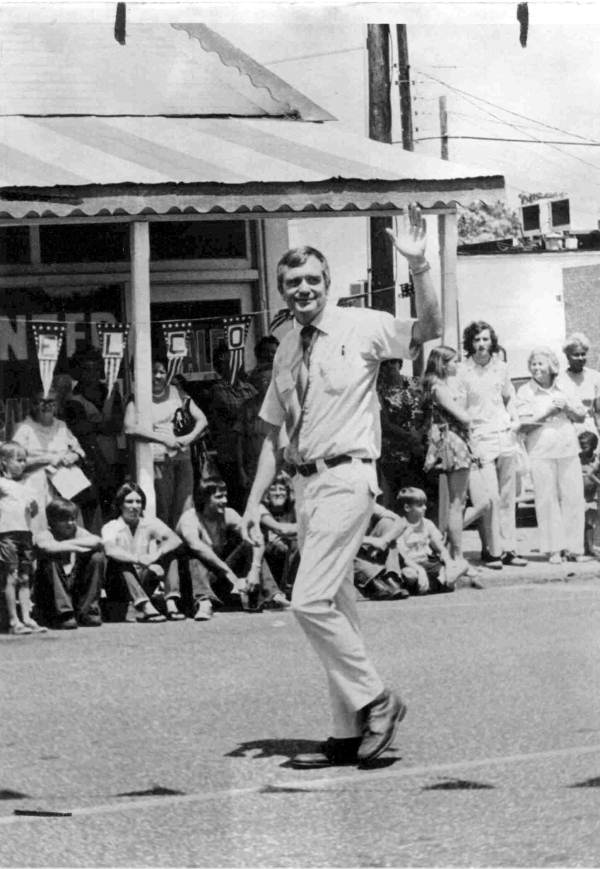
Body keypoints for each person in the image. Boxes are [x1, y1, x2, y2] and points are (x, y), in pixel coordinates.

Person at [241, 203, 442, 769]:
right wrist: (254, 506)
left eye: (311, 280)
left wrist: (419, 266)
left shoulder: (362, 325)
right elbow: (269, 435)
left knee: (307, 601)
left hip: (348, 475)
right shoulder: (284, 347)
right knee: (335, 602)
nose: (302, 289)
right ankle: (346, 727)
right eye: (291, 283)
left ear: (328, 284)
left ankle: (377, 698)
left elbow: (430, 329)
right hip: (305, 486)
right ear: (282, 291)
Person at [456, 322, 527, 570]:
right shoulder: (462, 371)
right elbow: (461, 408)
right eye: (477, 340)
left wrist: (514, 420)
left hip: (504, 435)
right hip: (480, 437)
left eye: (485, 339)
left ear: (492, 342)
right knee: (492, 498)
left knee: (508, 496)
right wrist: (469, 437)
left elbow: (509, 397)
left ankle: (509, 550)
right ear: (470, 343)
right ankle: (492, 550)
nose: (481, 344)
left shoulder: (502, 368)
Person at [177, 476, 287, 622]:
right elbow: (197, 547)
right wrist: (230, 575)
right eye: (219, 497)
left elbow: (256, 537)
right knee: (195, 555)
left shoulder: (228, 514)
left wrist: (255, 569)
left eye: (225, 496)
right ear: (204, 499)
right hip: (191, 582)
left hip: (217, 575)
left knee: (249, 543)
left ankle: (272, 594)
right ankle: (203, 602)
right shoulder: (189, 519)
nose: (225, 501)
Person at [516, 347, 589, 564]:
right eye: (533, 364)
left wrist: (566, 407)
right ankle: (554, 549)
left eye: (541, 363)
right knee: (546, 500)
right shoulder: (525, 392)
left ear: (552, 366)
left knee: (573, 497)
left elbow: (581, 416)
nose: (536, 368)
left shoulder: (564, 386)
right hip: (540, 452)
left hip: (567, 448)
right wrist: (548, 412)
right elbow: (523, 427)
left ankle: (574, 549)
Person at [421, 345, 489, 572]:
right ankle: (456, 554)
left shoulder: (436, 386)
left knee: (463, 503)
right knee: (458, 504)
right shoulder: (439, 388)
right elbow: (464, 417)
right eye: (453, 361)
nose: (456, 366)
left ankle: (447, 543)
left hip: (451, 442)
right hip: (455, 443)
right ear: (442, 363)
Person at [124, 357, 208, 529]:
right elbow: (129, 428)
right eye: (153, 372)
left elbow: (202, 420)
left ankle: (184, 547)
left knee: (185, 508)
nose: (158, 376)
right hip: (158, 460)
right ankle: (166, 551)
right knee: (162, 508)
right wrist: (161, 439)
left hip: (182, 458)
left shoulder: (178, 392)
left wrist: (188, 438)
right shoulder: (138, 397)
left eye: (162, 372)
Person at [13, 386, 99, 534]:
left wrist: (74, 456)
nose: (47, 406)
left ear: (57, 405)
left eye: (51, 402)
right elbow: (14, 462)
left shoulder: (61, 426)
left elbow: (79, 450)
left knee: (68, 523)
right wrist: (47, 459)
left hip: (64, 483)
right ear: (34, 404)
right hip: (36, 483)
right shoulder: (24, 428)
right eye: (42, 401)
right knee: (41, 526)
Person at [101, 482, 185, 622]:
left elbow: (175, 540)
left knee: (170, 554)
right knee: (121, 561)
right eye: (129, 501)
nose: (135, 506)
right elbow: (110, 550)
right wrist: (139, 560)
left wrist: (155, 555)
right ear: (120, 504)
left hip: (142, 579)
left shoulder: (148, 523)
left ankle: (171, 603)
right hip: (120, 583)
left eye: (138, 502)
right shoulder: (112, 526)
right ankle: (145, 606)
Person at [64, 345, 126, 520]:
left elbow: (116, 426)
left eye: (95, 368)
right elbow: (83, 433)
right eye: (86, 369)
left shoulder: (112, 392)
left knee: (115, 510)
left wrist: (93, 424)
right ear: (78, 371)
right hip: (89, 465)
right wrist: (101, 426)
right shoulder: (72, 400)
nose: (91, 374)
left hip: (114, 462)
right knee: (91, 512)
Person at [33, 497, 105, 629]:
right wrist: (75, 547)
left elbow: (97, 541)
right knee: (51, 558)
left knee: (97, 557)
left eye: (72, 519)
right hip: (50, 596)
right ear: (52, 521)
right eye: (64, 519)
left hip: (73, 589)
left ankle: (88, 611)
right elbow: (46, 546)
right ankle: (64, 614)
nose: (70, 523)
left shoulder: (78, 532)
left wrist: (65, 544)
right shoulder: (46, 534)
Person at [204, 344, 258, 513]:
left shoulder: (249, 388)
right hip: (230, 453)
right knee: (234, 498)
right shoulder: (217, 390)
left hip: (249, 451)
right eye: (226, 361)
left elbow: (259, 409)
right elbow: (235, 409)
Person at [0, 442, 46, 635]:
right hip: (6, 533)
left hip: (25, 533)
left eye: (24, 460)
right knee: (10, 576)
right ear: (4, 462)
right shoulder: (2, 484)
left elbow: (33, 512)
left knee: (25, 576)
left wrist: (33, 507)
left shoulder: (26, 485)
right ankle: (13, 620)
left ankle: (26, 617)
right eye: (18, 460)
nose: (22, 464)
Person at [376, 359, 429, 508]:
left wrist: (421, 432)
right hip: (393, 453)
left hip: (419, 450)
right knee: (395, 498)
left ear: (400, 364)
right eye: (385, 364)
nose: (390, 367)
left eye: (393, 363)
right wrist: (408, 436)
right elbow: (384, 423)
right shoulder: (379, 389)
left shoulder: (415, 383)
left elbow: (429, 409)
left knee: (420, 495)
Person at [395, 487, 461, 594]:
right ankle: (430, 585)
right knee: (409, 574)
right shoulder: (399, 526)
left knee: (458, 567)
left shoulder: (427, 524)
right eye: (420, 505)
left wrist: (448, 564)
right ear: (407, 507)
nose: (425, 508)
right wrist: (419, 570)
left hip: (428, 563)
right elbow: (404, 557)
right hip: (411, 564)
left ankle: (431, 585)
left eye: (425, 504)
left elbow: (441, 548)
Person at [353, 502, 408, 601]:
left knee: (388, 522)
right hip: (346, 551)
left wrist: (384, 541)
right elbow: (333, 538)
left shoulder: (363, 501)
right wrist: (372, 541)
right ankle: (371, 582)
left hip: (367, 549)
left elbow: (401, 523)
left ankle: (390, 577)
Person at [259, 470, 299, 598]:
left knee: (298, 544)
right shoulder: (260, 508)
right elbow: (281, 529)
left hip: (288, 558)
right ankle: (274, 592)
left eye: (282, 489)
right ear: (266, 493)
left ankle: (290, 588)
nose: (278, 493)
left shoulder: (294, 508)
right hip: (268, 557)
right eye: (273, 489)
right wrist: (292, 531)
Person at [246, 336, 280, 481]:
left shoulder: (285, 374)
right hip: (257, 442)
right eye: (268, 352)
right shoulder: (254, 377)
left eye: (274, 352)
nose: (271, 356)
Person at [557, 332, 600, 437]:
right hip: (567, 429)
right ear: (567, 356)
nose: (581, 358)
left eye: (583, 354)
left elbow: (598, 410)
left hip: (590, 430)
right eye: (576, 355)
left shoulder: (595, 376)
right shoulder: (559, 378)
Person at [578, 430, 600, 557]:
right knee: (580, 521)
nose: (582, 449)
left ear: (593, 446)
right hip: (578, 493)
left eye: (585, 446)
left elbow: (591, 474)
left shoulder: (596, 459)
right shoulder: (577, 458)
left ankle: (590, 546)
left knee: (590, 521)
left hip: (591, 495)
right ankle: (582, 546)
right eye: (581, 446)